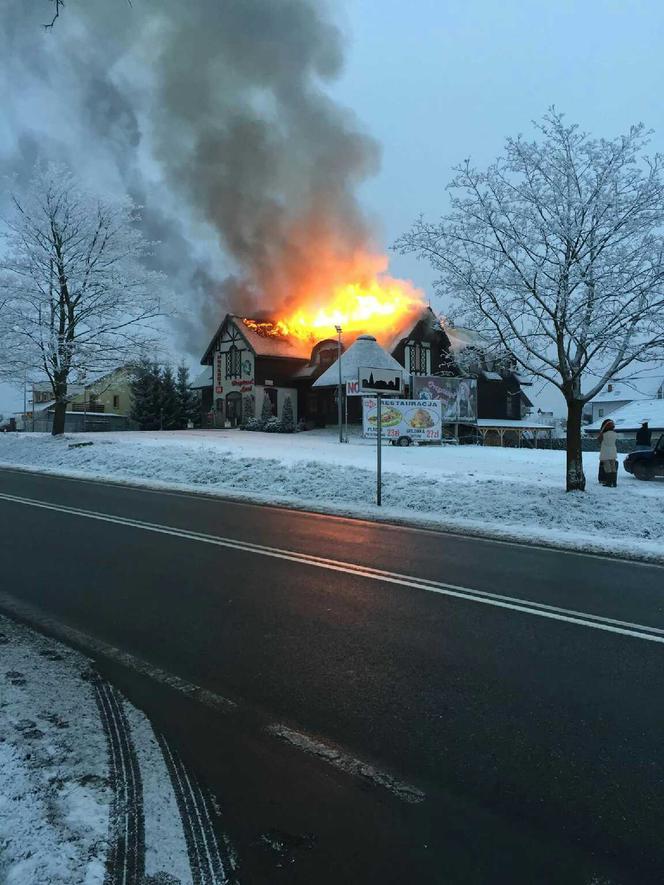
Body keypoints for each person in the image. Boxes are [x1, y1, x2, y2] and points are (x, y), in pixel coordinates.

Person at [598, 418, 618, 487]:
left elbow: (599, 441)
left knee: (607, 467)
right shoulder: (615, 434)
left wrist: (602, 431)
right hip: (613, 452)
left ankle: (609, 482)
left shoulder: (604, 434)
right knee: (613, 467)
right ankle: (614, 482)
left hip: (606, 453)